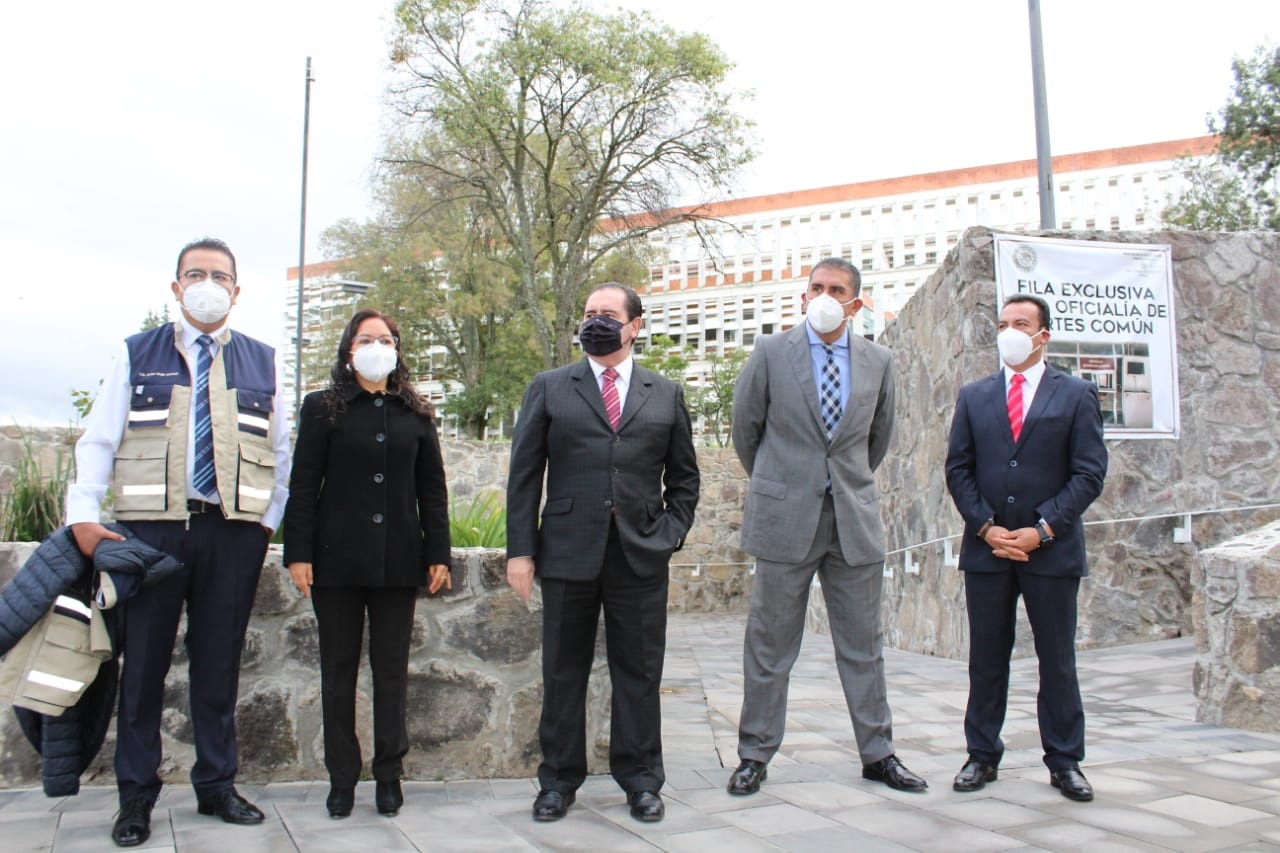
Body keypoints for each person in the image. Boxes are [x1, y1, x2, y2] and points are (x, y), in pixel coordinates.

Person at [65, 238, 291, 847]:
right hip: (149, 532)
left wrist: (265, 524)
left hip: (231, 533)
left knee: (218, 667)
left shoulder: (263, 361)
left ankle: (216, 784)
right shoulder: (136, 353)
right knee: (142, 669)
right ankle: (136, 796)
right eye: (196, 274)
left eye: (220, 276)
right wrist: (84, 518)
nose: (208, 284)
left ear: (237, 291)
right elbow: (99, 440)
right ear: (176, 286)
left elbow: (281, 453)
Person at [727, 257, 927, 797]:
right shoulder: (770, 352)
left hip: (852, 520)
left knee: (864, 646)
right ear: (803, 295)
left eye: (836, 290)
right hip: (784, 518)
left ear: (855, 304)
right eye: (816, 287)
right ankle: (754, 754)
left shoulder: (879, 361)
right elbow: (746, 430)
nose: (824, 296)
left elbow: (877, 439)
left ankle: (878, 754)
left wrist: (842, 483)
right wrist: (784, 482)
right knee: (769, 645)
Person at [506, 282, 699, 824]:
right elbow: (524, 476)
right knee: (562, 671)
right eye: (590, 313)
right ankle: (557, 782)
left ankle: (641, 781)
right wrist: (520, 551)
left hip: (639, 554)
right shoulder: (549, 387)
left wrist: (669, 534)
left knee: (639, 672)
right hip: (567, 551)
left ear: (634, 325)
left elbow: (685, 480)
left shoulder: (666, 393)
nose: (596, 321)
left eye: (608, 314)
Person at [283, 309, 452, 819]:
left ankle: (388, 773)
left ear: (397, 349)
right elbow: (304, 484)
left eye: (386, 339)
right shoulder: (321, 408)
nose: (376, 347)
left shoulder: (416, 412)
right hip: (335, 562)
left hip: (398, 561)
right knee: (337, 671)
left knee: (391, 671)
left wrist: (438, 553)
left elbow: (432, 489)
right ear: (348, 349)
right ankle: (341, 777)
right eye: (365, 339)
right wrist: (298, 552)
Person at [944, 293, 1107, 801]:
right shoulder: (974, 396)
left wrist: (1043, 528)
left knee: (1056, 660)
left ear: (1043, 335)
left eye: (1020, 323)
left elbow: (1089, 473)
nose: (1009, 332)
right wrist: (986, 527)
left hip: (1051, 552)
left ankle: (1065, 761)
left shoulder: (1076, 394)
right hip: (988, 551)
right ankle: (981, 755)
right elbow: (958, 469)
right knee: (986, 659)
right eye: (1002, 324)